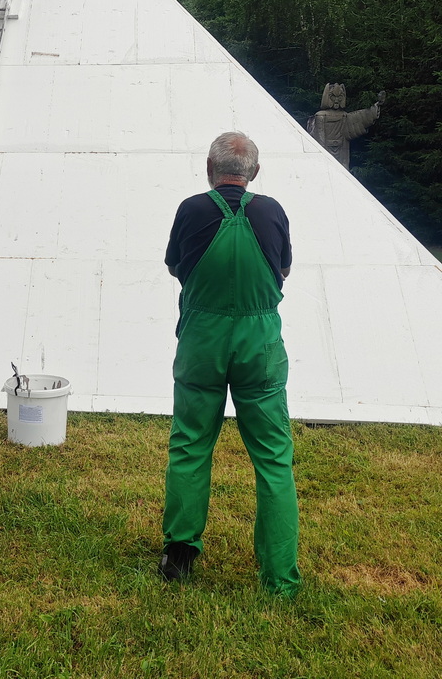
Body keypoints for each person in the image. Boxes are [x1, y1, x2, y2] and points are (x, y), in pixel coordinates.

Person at [161, 131, 301, 597]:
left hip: (202, 340)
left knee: (190, 444)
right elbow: (283, 269)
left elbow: (176, 267)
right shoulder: (272, 211)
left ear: (209, 168)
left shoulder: (191, 209)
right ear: (254, 172)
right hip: (259, 344)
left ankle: (179, 554)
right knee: (274, 458)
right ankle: (279, 578)